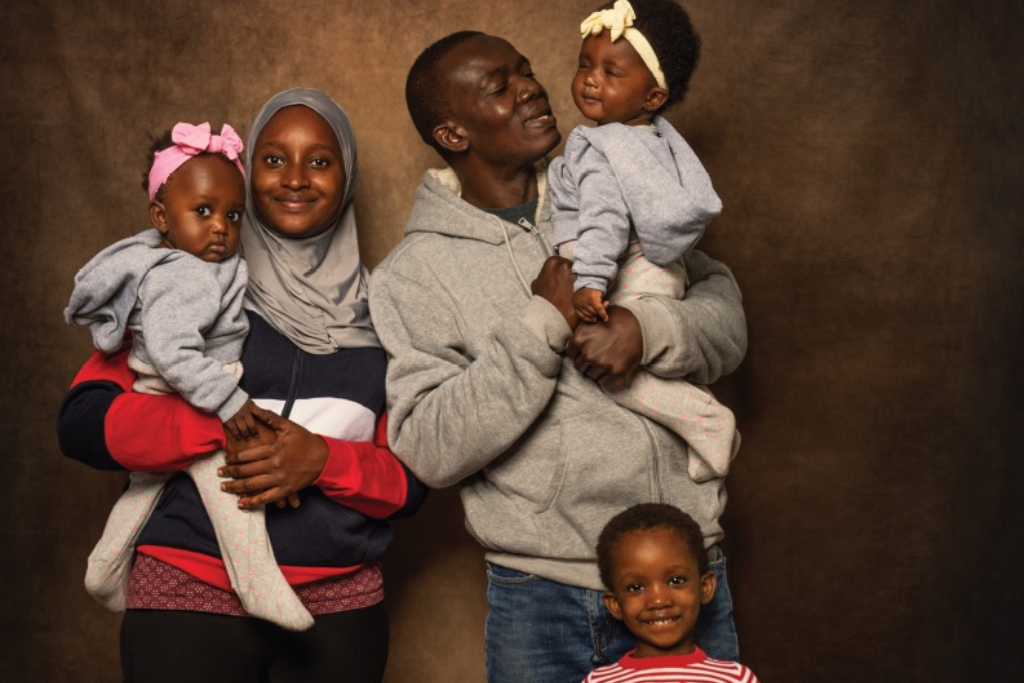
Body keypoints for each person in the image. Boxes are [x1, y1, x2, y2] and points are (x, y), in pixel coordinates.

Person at [369, 29, 746, 683]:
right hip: (543, 595)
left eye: (526, 71)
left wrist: (645, 329)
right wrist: (541, 323)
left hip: (680, 575)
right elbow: (428, 445)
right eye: (500, 87)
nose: (532, 88)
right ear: (454, 135)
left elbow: (727, 318)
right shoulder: (413, 273)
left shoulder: (611, 175)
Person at [57, 88, 427, 683]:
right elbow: (82, 423)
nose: (296, 180)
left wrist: (322, 460)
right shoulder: (192, 278)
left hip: (340, 605)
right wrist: (218, 426)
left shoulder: (388, 311)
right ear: (246, 171)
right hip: (188, 588)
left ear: (347, 174)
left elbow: (411, 481)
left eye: (321, 161)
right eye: (274, 159)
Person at [65, 120, 313, 631]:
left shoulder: (180, 257)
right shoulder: (185, 274)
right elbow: (174, 352)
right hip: (193, 387)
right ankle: (258, 585)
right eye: (202, 212)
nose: (220, 226)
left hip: (181, 382)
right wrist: (229, 403)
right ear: (161, 216)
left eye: (233, 214)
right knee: (234, 485)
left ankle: (104, 567)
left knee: (147, 484)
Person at [549, 0, 738, 484]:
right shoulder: (653, 141)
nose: (591, 79)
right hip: (662, 269)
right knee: (627, 362)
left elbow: (604, 218)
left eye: (612, 72)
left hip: (626, 267)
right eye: (585, 65)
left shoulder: (599, 146)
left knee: (604, 367)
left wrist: (589, 279)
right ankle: (701, 425)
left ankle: (708, 422)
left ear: (652, 97)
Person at [585, 503, 760, 683]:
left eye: (676, 581)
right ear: (615, 604)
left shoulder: (736, 678)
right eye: (636, 587)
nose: (659, 600)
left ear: (705, 587)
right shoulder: (598, 681)